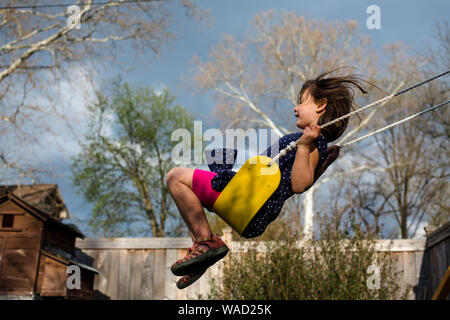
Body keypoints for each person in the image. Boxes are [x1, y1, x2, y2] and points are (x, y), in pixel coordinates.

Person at [166, 69, 367, 289]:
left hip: (246, 199)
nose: (295, 108)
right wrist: (324, 163)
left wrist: (303, 145)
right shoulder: (314, 144)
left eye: (301, 102)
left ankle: (206, 243)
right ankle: (201, 254)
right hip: (254, 211)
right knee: (187, 189)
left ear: (320, 105)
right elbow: (303, 179)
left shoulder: (310, 142)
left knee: (175, 177)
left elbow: (299, 185)